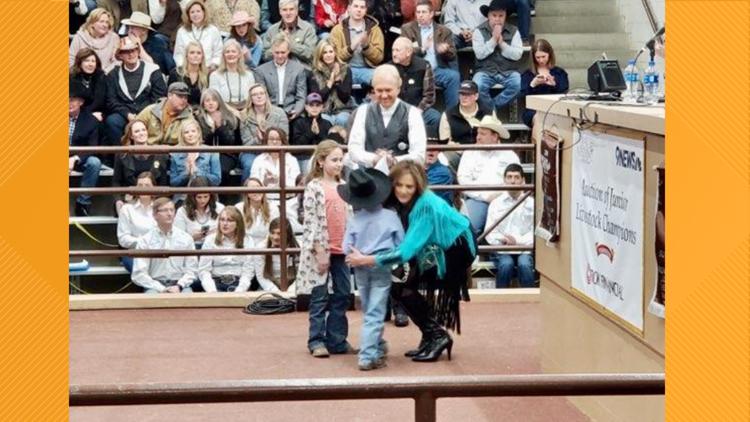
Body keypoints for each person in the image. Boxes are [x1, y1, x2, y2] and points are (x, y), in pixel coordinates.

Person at [346, 160, 476, 362]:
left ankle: (437, 335)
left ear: (418, 187)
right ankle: (431, 335)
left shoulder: (425, 206)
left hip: (456, 248)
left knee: (403, 286)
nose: (403, 191)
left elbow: (405, 252)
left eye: (409, 186)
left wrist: (367, 259)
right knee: (401, 286)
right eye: (399, 185)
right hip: (437, 244)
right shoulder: (401, 201)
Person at [339, 168, 404, 370]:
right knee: (375, 311)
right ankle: (368, 356)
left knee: (369, 308)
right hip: (380, 264)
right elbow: (401, 243)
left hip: (359, 265)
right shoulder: (390, 216)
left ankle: (376, 345)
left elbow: (344, 247)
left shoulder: (354, 219)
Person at [297, 141, 355, 358]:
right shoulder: (314, 187)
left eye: (341, 160)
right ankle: (316, 339)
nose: (339, 164)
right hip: (321, 249)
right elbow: (311, 220)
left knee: (342, 293)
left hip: (342, 249)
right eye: (334, 160)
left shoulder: (344, 185)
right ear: (321, 161)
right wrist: (319, 249)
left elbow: (351, 217)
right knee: (320, 296)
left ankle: (337, 339)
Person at [348, 64, 426, 168]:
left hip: (401, 177)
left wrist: (393, 160)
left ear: (398, 89)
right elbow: (354, 150)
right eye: (379, 91)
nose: (384, 96)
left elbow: (419, 155)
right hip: (369, 177)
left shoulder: (413, 113)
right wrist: (374, 159)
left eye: (388, 90)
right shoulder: (363, 111)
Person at [456, 115, 519, 234]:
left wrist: (500, 195)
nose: (478, 137)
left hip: (505, 200)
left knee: (510, 229)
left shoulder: (510, 155)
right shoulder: (469, 153)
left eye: (483, 134)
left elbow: (518, 180)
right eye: (478, 133)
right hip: (476, 200)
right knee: (468, 228)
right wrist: (485, 196)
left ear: (495, 136)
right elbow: (463, 180)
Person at [104, 37, 166, 147]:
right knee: (112, 121)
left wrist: (143, 114)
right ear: (120, 56)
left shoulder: (153, 70)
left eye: (133, 50)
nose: (130, 54)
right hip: (125, 114)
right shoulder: (113, 74)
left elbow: (159, 98)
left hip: (149, 113)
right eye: (126, 52)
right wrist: (127, 114)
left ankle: (151, 155)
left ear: (138, 51)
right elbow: (111, 101)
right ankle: (121, 156)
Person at [400, 0, 461, 109]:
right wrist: (423, 48)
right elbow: (403, 52)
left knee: (453, 76)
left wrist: (445, 51)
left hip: (437, 71)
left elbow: (452, 55)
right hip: (416, 71)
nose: (420, 15)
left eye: (424, 12)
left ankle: (452, 114)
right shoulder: (407, 29)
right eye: (418, 12)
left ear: (431, 14)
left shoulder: (444, 31)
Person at [132, 197, 198, 293]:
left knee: (189, 299)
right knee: (151, 300)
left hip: (181, 285)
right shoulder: (145, 240)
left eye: (172, 210)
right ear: (155, 215)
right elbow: (139, 274)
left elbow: (192, 270)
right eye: (165, 210)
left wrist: (179, 286)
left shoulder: (186, 238)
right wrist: (161, 288)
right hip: (154, 286)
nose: (169, 214)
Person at [485, 163, 535, 287]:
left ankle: (530, 301)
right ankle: (499, 302)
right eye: (509, 177)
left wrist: (517, 241)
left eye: (517, 177)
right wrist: (504, 241)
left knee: (525, 264)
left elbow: (535, 231)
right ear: (504, 180)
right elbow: (489, 232)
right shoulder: (495, 204)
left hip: (525, 248)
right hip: (502, 249)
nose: (513, 181)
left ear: (523, 180)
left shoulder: (532, 203)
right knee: (506, 265)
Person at [472, 0, 523, 113]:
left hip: (508, 71)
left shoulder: (514, 31)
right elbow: (479, 54)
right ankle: (491, 111)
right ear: (488, 16)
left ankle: (491, 109)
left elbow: (517, 55)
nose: (497, 19)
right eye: (494, 15)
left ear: (505, 16)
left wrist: (502, 44)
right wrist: (493, 40)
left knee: (519, 84)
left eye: (501, 15)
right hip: (485, 71)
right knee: (477, 85)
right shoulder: (478, 31)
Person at [112, 119, 170, 214]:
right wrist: (118, 200)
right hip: (130, 198)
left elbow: (163, 183)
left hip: (154, 199)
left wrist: (158, 201)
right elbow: (116, 182)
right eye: (137, 131)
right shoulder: (122, 154)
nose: (141, 133)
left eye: (143, 130)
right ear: (131, 135)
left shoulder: (160, 154)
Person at [438, 80, 495, 168]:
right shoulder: (447, 115)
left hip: (482, 151)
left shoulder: (489, 113)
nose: (464, 97)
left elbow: (496, 139)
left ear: (476, 96)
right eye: (461, 94)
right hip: (457, 154)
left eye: (468, 95)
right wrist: (453, 147)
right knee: (444, 157)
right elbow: (444, 143)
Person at [239, 83, 289, 183]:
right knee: (250, 164)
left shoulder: (279, 113)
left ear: (266, 95)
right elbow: (246, 142)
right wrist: (258, 139)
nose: (259, 96)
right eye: (255, 94)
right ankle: (247, 193)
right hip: (251, 152)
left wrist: (268, 139)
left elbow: (285, 137)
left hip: (275, 151)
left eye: (262, 93)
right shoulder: (244, 115)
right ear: (250, 98)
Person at [198, 206, 254, 292]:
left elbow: (248, 271)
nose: (225, 223)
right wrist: (212, 291)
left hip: (239, 283)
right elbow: (204, 271)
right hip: (215, 283)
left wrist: (240, 290)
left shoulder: (248, 240)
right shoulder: (210, 239)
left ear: (238, 223)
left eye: (229, 220)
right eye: (222, 219)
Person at [390, 37, 441, 130]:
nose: (394, 54)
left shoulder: (424, 66)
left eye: (397, 50)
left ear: (408, 52)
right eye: (393, 50)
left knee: (436, 118)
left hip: (418, 109)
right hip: (395, 112)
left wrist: (418, 111)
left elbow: (429, 95)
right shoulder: (388, 68)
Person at [329, 0, 384, 86]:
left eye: (362, 7)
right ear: (349, 8)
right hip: (345, 70)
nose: (359, 10)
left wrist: (366, 47)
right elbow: (334, 57)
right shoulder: (337, 30)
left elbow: (379, 58)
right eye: (356, 6)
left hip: (367, 70)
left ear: (366, 10)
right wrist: (350, 48)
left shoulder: (374, 29)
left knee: (382, 77)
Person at [194, 88, 242, 186]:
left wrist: (219, 126)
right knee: (201, 170)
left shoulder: (230, 118)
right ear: (203, 104)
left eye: (214, 100)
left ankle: (220, 197)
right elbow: (200, 141)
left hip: (226, 154)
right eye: (207, 101)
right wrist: (211, 131)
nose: (211, 103)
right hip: (204, 153)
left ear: (219, 102)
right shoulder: (198, 119)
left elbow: (231, 142)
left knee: (222, 170)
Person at [249, 127, 301, 215]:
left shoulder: (292, 160)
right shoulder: (258, 160)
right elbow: (252, 185)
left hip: (288, 202)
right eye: (271, 139)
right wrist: (264, 182)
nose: (274, 142)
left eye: (278, 139)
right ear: (266, 141)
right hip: (265, 203)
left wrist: (279, 180)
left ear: (283, 142)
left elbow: (295, 185)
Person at [255, 34, 307, 120]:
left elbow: (301, 96)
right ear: (272, 51)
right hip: (270, 111)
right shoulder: (261, 70)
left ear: (288, 51)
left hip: (291, 110)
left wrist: (296, 111)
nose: (280, 56)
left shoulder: (298, 69)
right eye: (277, 52)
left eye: (283, 52)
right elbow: (262, 96)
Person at [69, 81, 102, 217]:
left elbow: (93, 146)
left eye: (72, 100)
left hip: (80, 158)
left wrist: (75, 158)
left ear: (81, 102)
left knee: (95, 162)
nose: (69, 103)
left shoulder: (90, 120)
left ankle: (83, 203)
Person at [520, 39, 569, 127]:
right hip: (534, 110)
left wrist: (554, 85)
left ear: (549, 55)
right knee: (537, 118)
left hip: (555, 108)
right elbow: (523, 95)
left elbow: (564, 93)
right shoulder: (528, 74)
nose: (541, 60)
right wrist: (532, 85)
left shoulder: (559, 73)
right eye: (538, 57)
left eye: (543, 56)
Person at [117, 171, 158, 272]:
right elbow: (123, 239)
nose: (143, 188)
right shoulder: (127, 209)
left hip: (157, 253)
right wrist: (144, 242)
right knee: (143, 270)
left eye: (147, 185)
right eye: (140, 185)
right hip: (134, 253)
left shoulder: (160, 208)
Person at [308, 39, 354, 127]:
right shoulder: (314, 72)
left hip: (343, 110)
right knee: (325, 120)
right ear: (320, 55)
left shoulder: (345, 69)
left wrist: (337, 81)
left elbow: (345, 97)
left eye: (331, 52)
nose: (328, 55)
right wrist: (329, 84)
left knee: (342, 119)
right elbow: (317, 99)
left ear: (335, 53)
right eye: (325, 52)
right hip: (323, 110)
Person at [261, 0, 318, 66]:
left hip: (301, 71)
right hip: (276, 70)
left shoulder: (308, 29)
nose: (288, 13)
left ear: (296, 11)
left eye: (291, 9)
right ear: (280, 11)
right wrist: (280, 47)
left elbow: (311, 54)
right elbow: (265, 56)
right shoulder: (272, 30)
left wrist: (290, 44)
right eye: (284, 10)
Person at [175, 176, 224, 248]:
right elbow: (178, 238)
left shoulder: (220, 208)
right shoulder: (182, 211)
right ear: (192, 197)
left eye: (206, 196)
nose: (203, 200)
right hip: (191, 247)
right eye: (199, 197)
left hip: (214, 247)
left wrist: (216, 235)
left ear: (211, 196)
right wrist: (192, 238)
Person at [170, 119, 222, 186]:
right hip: (182, 194)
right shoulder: (176, 154)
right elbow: (173, 183)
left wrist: (197, 172)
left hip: (205, 193)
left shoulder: (211, 152)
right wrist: (186, 174)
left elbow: (217, 180)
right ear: (182, 135)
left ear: (198, 133)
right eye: (186, 132)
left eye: (193, 131)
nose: (190, 134)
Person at [252, 217, 299, 291]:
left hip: (293, 287)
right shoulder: (261, 247)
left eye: (279, 234)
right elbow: (261, 277)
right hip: (269, 287)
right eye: (272, 233)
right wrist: (276, 292)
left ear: (288, 234)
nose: (275, 237)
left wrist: (291, 290)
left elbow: (302, 275)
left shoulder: (298, 246)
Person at [290, 93, 333, 172]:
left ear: (321, 107)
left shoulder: (327, 124)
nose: (314, 108)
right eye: (311, 105)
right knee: (307, 165)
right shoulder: (298, 122)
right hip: (304, 157)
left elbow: (329, 145)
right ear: (306, 107)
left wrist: (318, 134)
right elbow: (296, 146)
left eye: (317, 105)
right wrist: (311, 133)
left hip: (322, 158)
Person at [174, 0, 223, 70]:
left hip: (209, 69)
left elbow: (219, 52)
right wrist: (184, 68)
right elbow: (178, 54)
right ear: (188, 15)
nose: (195, 14)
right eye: (192, 12)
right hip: (188, 70)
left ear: (203, 12)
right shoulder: (182, 31)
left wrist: (213, 66)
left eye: (198, 11)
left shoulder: (213, 30)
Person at [209, 39, 257, 110]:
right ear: (223, 56)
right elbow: (215, 99)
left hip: (246, 111)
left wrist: (244, 112)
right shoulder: (215, 75)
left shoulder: (249, 75)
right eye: (227, 52)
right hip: (223, 111)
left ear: (239, 55)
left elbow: (252, 97)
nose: (230, 54)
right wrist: (234, 112)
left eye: (233, 51)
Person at [69, 8, 120, 73]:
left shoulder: (114, 38)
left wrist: (105, 73)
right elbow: (70, 59)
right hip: (82, 77)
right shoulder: (79, 37)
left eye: (107, 22)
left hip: (106, 77)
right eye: (101, 21)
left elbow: (117, 61)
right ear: (92, 23)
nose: (104, 25)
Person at [235, 177, 280, 247]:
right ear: (246, 193)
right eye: (252, 188)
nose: (257, 191)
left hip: (267, 246)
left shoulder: (273, 207)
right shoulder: (239, 208)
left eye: (258, 187)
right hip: (245, 246)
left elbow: (275, 231)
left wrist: (262, 247)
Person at [70, 48, 107, 122]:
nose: (90, 64)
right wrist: (88, 115)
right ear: (79, 63)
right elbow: (73, 103)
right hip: (76, 114)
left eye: (93, 61)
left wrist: (91, 115)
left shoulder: (100, 76)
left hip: (97, 113)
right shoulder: (72, 78)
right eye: (86, 61)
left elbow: (99, 101)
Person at [168, 41, 209, 107]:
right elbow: (170, 97)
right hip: (179, 111)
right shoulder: (176, 73)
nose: (195, 55)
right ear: (186, 56)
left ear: (202, 57)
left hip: (200, 112)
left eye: (199, 53)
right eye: (192, 53)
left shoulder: (207, 75)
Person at [425, 138, 455, 205]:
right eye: (427, 146)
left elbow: (420, 194)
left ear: (439, 151)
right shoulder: (414, 168)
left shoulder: (443, 173)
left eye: (435, 146)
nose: (431, 150)